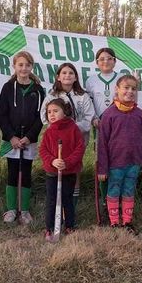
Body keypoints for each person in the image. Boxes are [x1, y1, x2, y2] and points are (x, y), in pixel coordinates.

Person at [97, 74, 142, 232]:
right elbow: (102, 144)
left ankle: (127, 221)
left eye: (134, 88)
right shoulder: (109, 114)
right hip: (115, 163)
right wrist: (102, 168)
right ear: (117, 89)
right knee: (113, 190)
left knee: (128, 190)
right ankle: (114, 221)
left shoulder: (139, 113)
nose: (130, 91)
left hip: (134, 163)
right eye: (126, 88)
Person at [0, 50, 45, 225]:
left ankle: (24, 210)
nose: (24, 68)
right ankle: (11, 209)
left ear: (32, 67)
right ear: (14, 66)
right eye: (20, 65)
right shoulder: (8, 87)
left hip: (28, 141)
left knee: (25, 173)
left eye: (27, 65)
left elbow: (42, 117)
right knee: (11, 173)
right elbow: (2, 115)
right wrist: (11, 137)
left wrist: (30, 137)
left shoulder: (39, 90)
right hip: (12, 140)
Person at [41, 62, 94, 200]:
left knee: (75, 167)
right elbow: (44, 116)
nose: (67, 76)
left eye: (71, 73)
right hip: (57, 141)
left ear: (76, 77)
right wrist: (59, 128)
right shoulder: (52, 96)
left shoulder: (83, 96)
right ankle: (60, 197)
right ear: (58, 77)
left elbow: (89, 117)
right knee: (59, 166)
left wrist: (73, 128)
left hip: (77, 138)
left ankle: (72, 199)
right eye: (64, 73)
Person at [40, 98, 86, 242]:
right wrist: (53, 161)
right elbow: (43, 150)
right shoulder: (49, 131)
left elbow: (79, 149)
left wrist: (67, 162)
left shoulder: (73, 128)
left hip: (69, 172)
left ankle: (69, 225)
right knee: (52, 200)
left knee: (67, 199)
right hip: (52, 173)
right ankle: (50, 227)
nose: (52, 115)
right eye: (49, 112)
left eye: (55, 111)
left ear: (65, 112)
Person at [85, 47, 119, 218]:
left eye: (109, 58)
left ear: (115, 61)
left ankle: (116, 197)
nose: (105, 61)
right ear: (97, 62)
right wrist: (93, 119)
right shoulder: (90, 81)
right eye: (101, 59)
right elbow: (88, 104)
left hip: (118, 127)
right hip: (99, 126)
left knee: (117, 161)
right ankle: (105, 200)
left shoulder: (121, 78)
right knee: (102, 162)